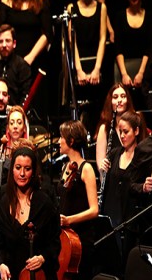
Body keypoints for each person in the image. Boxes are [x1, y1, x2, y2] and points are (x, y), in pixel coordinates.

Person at [0, 146, 61, 280]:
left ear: (34, 171)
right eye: (18, 168)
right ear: (12, 169)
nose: (22, 174)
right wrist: (0, 264)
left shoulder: (44, 203)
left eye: (27, 169)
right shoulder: (4, 203)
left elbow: (55, 243)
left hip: (39, 275)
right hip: (11, 274)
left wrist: (42, 258)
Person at [99, 111, 152, 274]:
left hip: (130, 220)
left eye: (126, 131)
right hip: (111, 217)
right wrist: (103, 171)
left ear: (136, 131)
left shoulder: (144, 156)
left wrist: (145, 187)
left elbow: (137, 187)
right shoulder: (115, 153)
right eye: (120, 132)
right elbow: (107, 186)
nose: (122, 136)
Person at [56, 120, 99, 280]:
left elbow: (94, 210)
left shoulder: (86, 168)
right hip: (64, 236)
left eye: (61, 137)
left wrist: (69, 220)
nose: (59, 141)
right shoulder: (65, 167)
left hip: (81, 238)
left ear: (71, 140)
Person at [68, 0, 108, 135]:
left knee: (99, 112)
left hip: (96, 66)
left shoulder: (101, 7)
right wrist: (79, 70)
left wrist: (97, 69)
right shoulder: (72, 8)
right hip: (80, 67)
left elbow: (102, 38)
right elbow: (72, 42)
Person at [0, 0, 52, 74]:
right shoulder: (6, 1)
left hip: (35, 60)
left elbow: (47, 34)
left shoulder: (42, 2)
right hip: (10, 60)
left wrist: (30, 57)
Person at [113, 0, 152, 110]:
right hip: (124, 68)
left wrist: (141, 73)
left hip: (144, 68)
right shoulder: (119, 16)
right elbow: (118, 48)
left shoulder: (149, 16)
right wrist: (124, 74)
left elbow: (149, 47)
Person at [95, 83, 136, 175]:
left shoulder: (136, 124)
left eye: (123, 96)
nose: (119, 100)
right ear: (110, 101)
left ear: (127, 100)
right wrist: (102, 167)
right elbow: (100, 165)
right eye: (115, 97)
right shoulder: (104, 128)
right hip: (112, 181)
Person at [0, 24, 32, 106]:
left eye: (7, 41)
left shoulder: (22, 66)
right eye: (1, 41)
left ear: (14, 43)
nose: (4, 45)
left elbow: (25, 97)